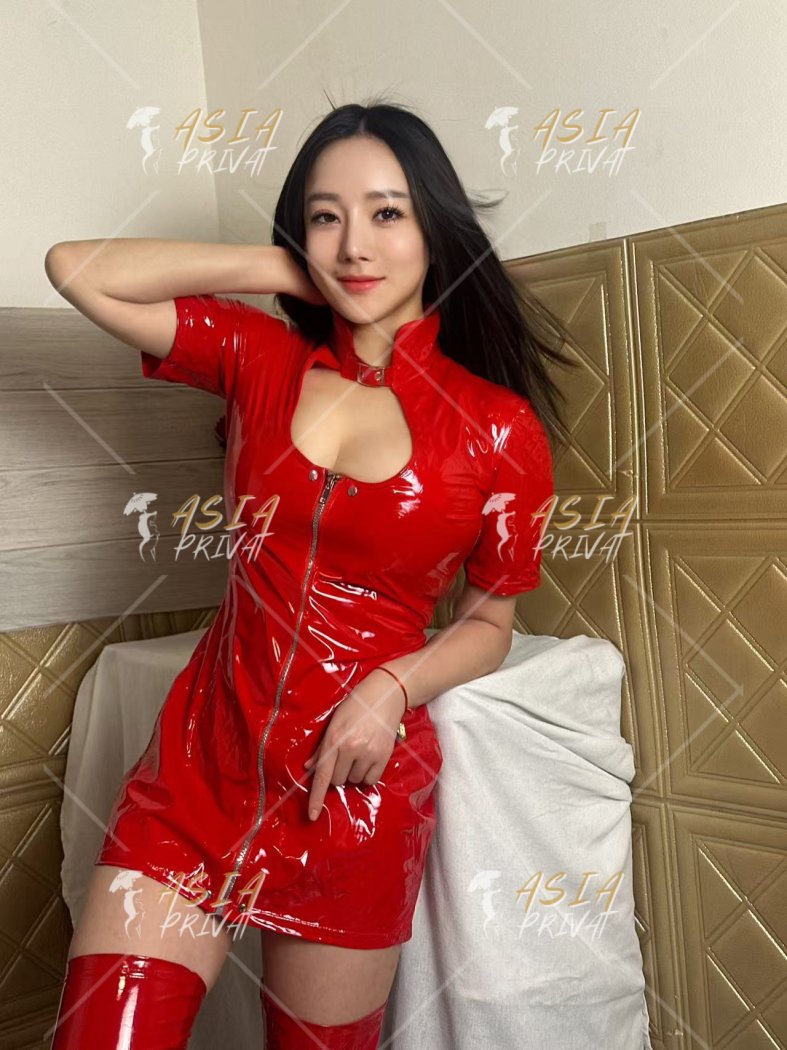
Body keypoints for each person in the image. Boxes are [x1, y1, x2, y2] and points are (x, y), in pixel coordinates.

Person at [45, 98, 574, 1049]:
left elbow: (490, 619)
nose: (355, 243)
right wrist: (283, 268)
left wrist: (392, 685)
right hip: (198, 776)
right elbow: (75, 268)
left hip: (350, 801)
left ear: (434, 228)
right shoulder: (258, 356)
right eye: (325, 217)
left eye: (386, 213)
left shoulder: (498, 428)